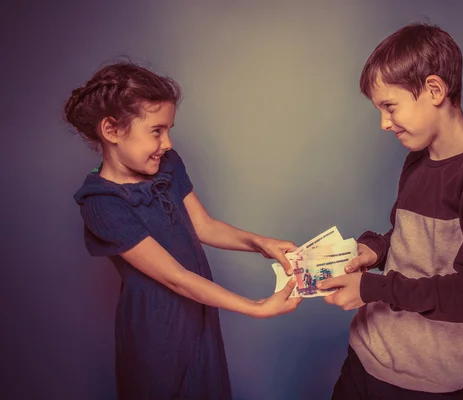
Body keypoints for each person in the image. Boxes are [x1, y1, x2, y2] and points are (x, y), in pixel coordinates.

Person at [65, 61, 302, 400]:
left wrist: (262, 243)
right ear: (112, 130)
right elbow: (175, 277)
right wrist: (256, 306)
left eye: (169, 129)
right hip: (156, 328)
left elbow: (204, 227)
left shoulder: (168, 164)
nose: (167, 142)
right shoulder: (101, 203)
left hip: (198, 307)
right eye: (156, 130)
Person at [318, 23, 463, 399]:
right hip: (364, 358)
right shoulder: (416, 161)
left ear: (434, 90)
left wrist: (370, 288)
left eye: (389, 106)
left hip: (425, 384)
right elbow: (408, 240)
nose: (383, 123)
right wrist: (375, 250)